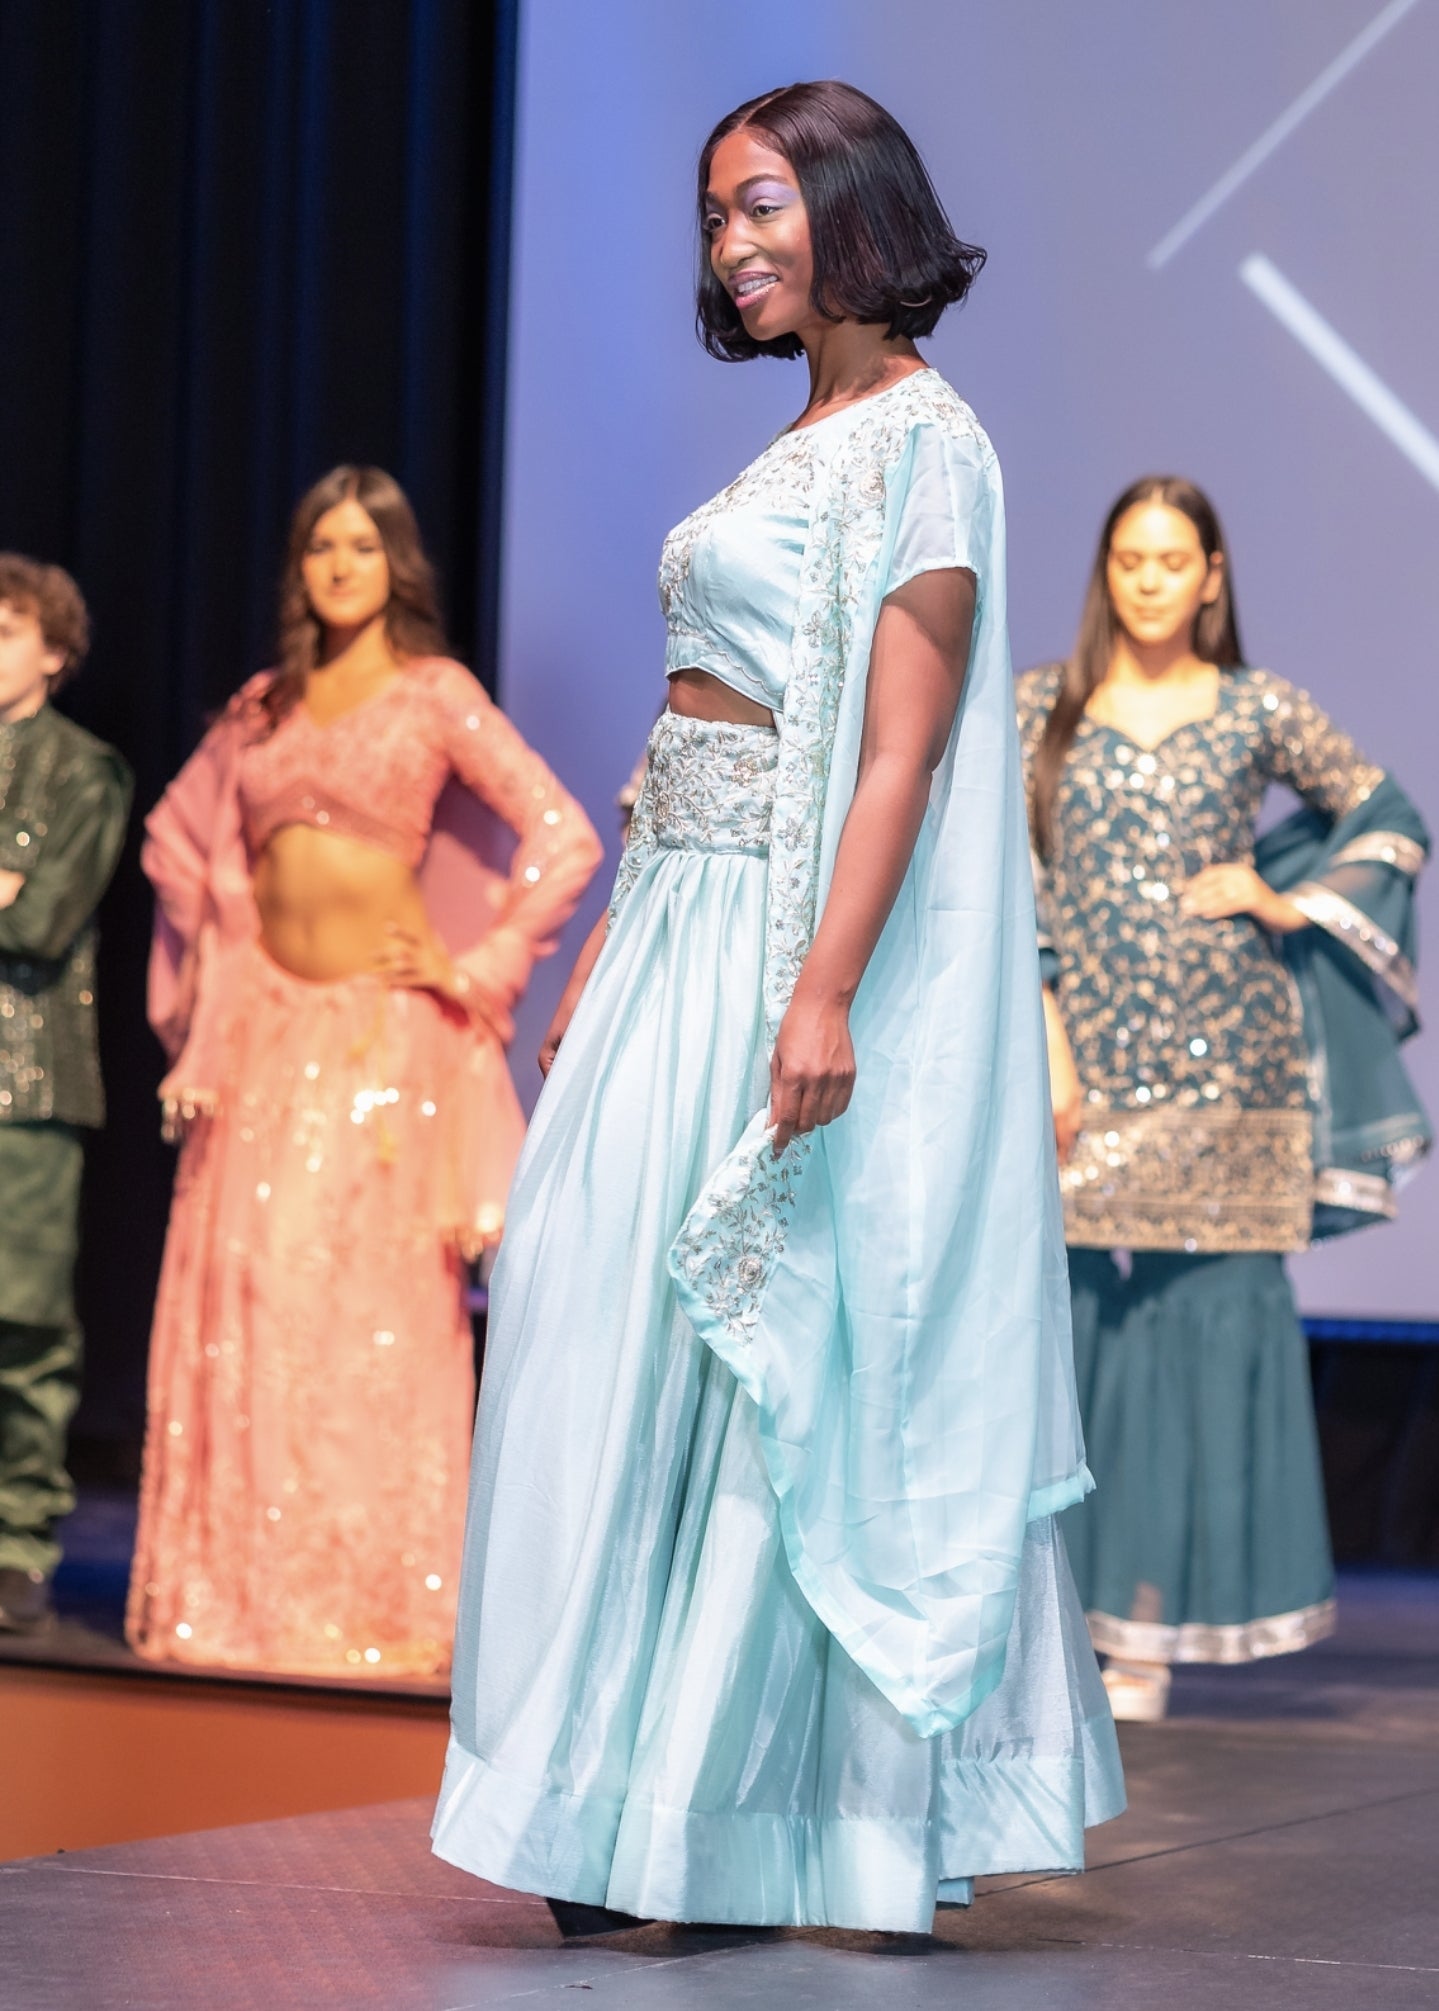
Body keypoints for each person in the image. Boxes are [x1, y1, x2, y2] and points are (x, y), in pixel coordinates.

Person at [433, 81, 1122, 1935]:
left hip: (778, 944)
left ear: (847, 202)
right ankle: (614, 1798)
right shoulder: (795, 436)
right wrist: (592, 960)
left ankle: (731, 1814)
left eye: (757, 208)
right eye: (708, 220)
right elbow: (684, 728)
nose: (727, 247)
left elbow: (900, 749)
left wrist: (818, 989)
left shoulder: (926, 437)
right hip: (672, 926)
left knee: (751, 1357)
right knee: (605, 1336)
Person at [127, 468, 601, 1676]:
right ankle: (241, 1598)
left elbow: (563, 836)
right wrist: (212, 992)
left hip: (384, 1047)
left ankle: (376, 1606)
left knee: (366, 1318)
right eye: (320, 547)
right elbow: (186, 846)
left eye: (361, 545)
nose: (340, 566)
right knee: (251, 1305)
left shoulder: (434, 692)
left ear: (398, 563)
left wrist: (477, 962)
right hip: (265, 1040)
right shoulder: (262, 708)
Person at [1018, 476, 1429, 1721]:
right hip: (1079, 1062)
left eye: (1171, 559)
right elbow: (1002, 872)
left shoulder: (1258, 707)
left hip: (1228, 1062)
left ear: (1211, 576)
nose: (1147, 580)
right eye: (1127, 559)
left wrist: (1280, 896)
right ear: (1105, 572)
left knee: (1205, 1334)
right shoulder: (1041, 705)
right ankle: (1057, 1624)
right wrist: (1043, 1036)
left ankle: (1147, 1625)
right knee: (1071, 1331)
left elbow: (1385, 815)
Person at [0, 555, 131, 1635]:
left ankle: (18, 1535)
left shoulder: (85, 770)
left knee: (23, 1323)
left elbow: (39, 923)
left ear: (53, 651)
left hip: (28, 1086)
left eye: (8, 629)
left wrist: (14, 888)